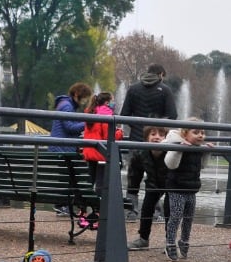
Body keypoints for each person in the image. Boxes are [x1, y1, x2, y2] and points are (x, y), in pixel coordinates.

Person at [119, 64, 177, 220]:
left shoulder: (133, 89)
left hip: (136, 139)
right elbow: (173, 116)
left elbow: (124, 114)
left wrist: (138, 128)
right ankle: (154, 213)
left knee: (133, 176)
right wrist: (159, 130)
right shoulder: (165, 90)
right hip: (156, 142)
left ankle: (131, 211)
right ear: (161, 74)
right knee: (155, 177)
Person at [161, 118, 211, 260]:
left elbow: (202, 166)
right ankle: (170, 243)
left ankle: (184, 241)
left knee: (188, 218)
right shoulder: (177, 144)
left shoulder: (198, 148)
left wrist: (206, 152)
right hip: (176, 188)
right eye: (196, 132)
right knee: (175, 217)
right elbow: (170, 164)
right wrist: (179, 149)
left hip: (191, 189)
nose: (200, 135)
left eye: (202, 132)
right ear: (185, 133)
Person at [79, 91, 122, 230]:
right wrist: (120, 133)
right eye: (112, 100)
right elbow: (107, 136)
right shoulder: (105, 114)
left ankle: (83, 211)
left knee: (89, 182)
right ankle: (97, 213)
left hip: (89, 152)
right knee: (100, 185)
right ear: (107, 102)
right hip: (100, 154)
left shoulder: (90, 112)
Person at [49, 82, 92, 214]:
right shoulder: (67, 106)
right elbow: (69, 127)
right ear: (76, 94)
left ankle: (65, 205)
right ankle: (62, 205)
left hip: (60, 147)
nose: (85, 102)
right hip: (62, 148)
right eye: (84, 98)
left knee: (67, 176)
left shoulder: (64, 104)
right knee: (68, 176)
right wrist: (87, 122)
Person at [126, 124, 169, 250]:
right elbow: (135, 174)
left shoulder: (171, 151)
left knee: (170, 209)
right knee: (146, 208)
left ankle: (170, 241)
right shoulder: (141, 153)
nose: (157, 137)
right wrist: (132, 193)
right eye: (153, 134)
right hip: (153, 183)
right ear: (146, 138)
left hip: (171, 184)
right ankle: (143, 239)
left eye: (161, 135)